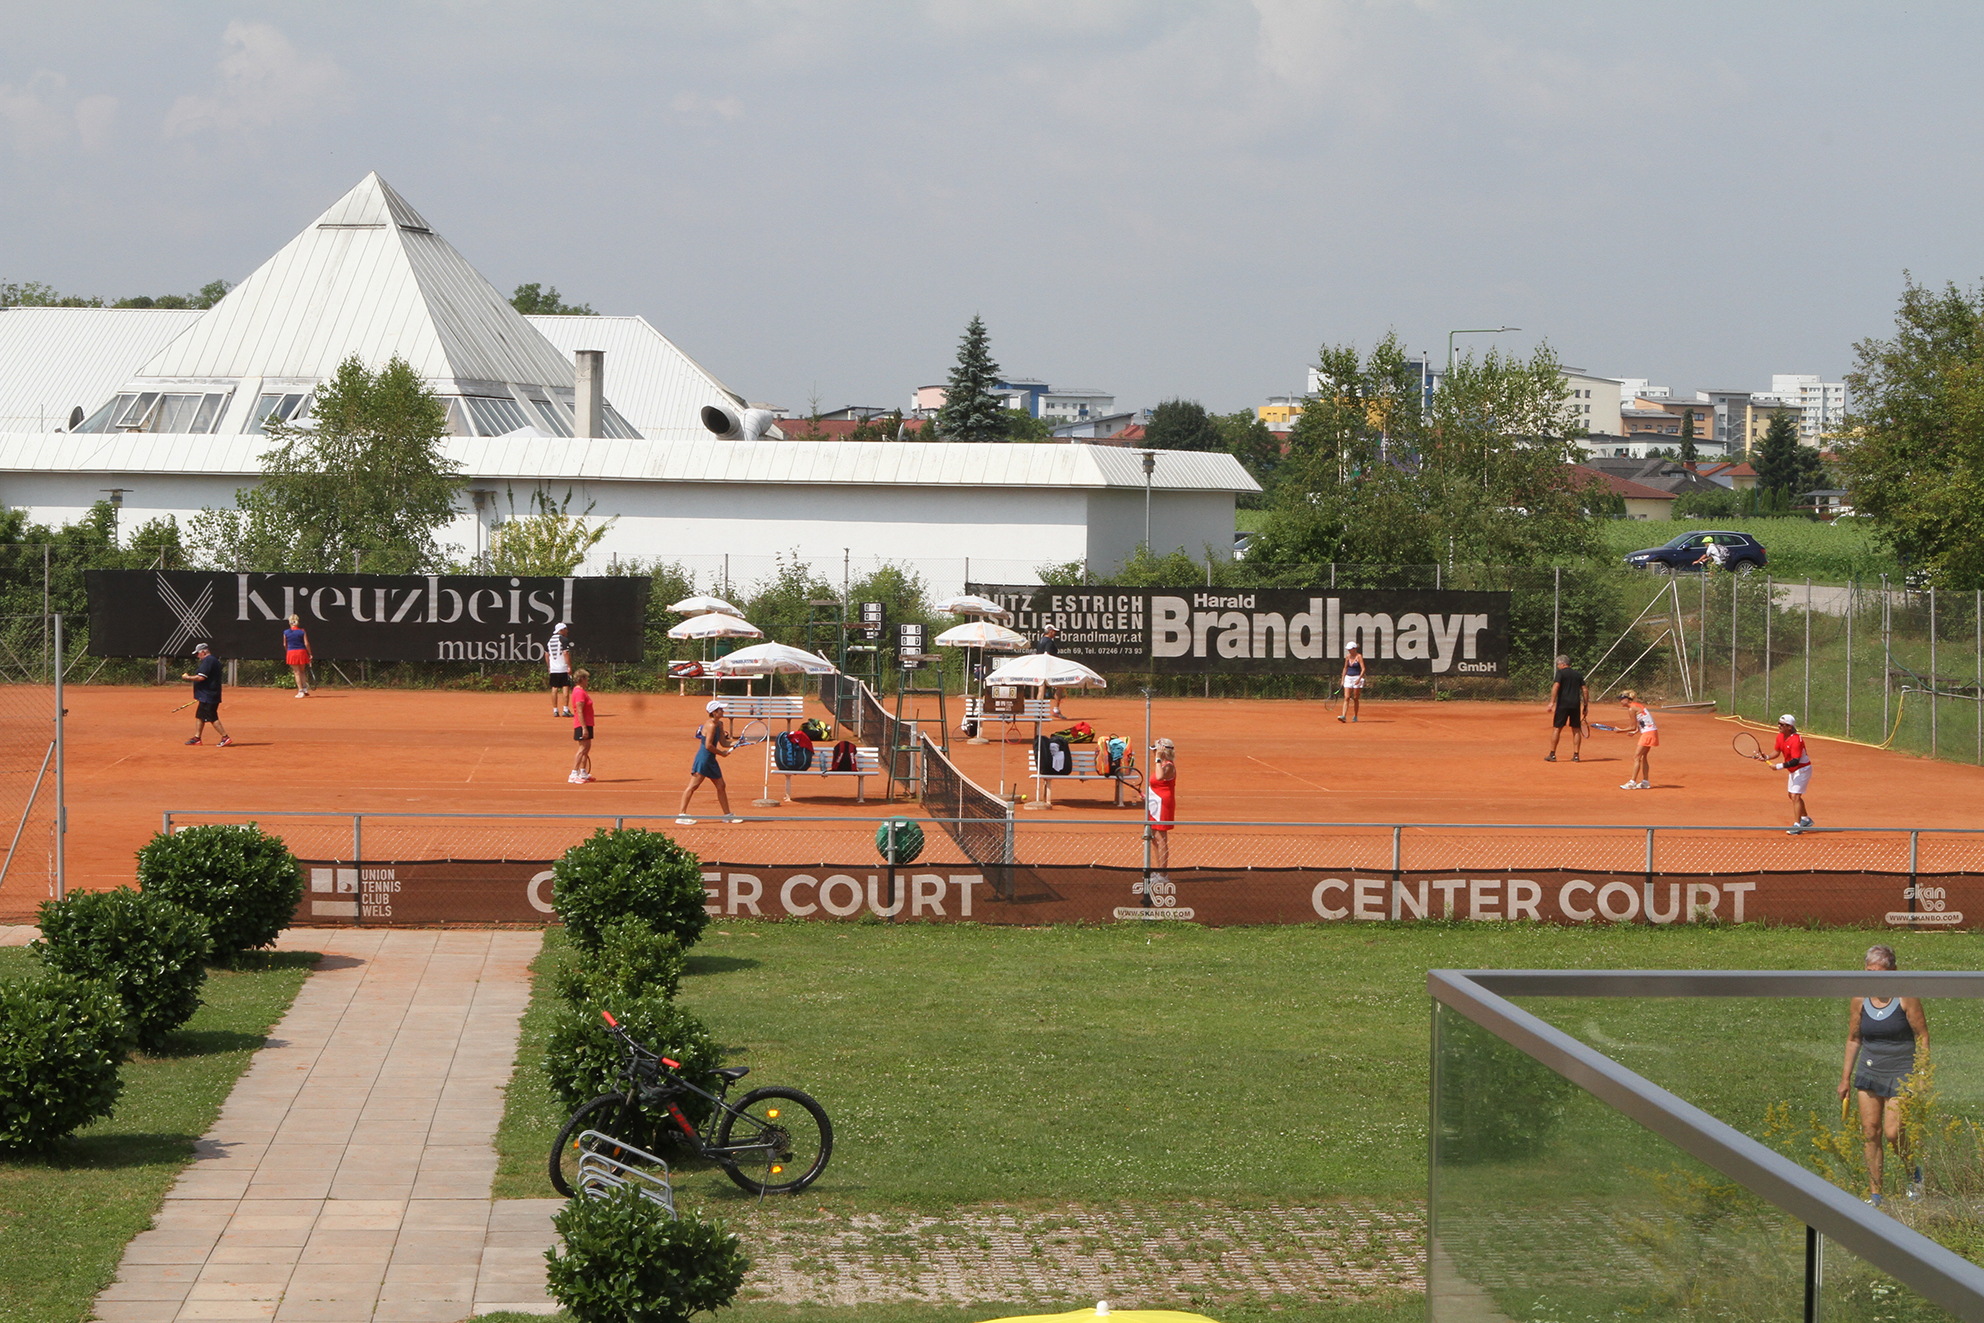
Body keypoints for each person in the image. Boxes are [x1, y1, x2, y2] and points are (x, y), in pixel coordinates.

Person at [1839, 944, 1929, 1205]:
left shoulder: (1905, 997)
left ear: (1894, 971)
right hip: (1869, 1072)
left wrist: (1922, 1074)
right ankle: (1876, 1195)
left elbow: (1922, 1036)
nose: (1874, 979)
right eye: (1870, 973)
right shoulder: (1859, 999)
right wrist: (1845, 1078)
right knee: (1870, 1132)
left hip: (1901, 1073)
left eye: (1880, 973)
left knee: (1892, 1132)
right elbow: (1854, 1038)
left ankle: (1913, 1172)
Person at [677, 699, 739, 824]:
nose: (723, 711)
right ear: (714, 712)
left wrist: (737, 742)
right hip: (704, 759)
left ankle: (727, 815)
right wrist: (721, 753)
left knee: (721, 786)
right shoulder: (710, 726)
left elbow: (724, 742)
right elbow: (708, 746)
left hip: (711, 760)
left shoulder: (719, 724)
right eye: (720, 709)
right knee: (693, 786)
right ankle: (681, 815)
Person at [181, 642, 231, 747]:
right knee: (200, 716)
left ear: (203, 652)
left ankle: (225, 737)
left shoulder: (208, 660)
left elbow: (201, 677)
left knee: (212, 717)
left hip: (209, 695)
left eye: (198, 653)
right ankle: (197, 738)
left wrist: (187, 677)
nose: (197, 656)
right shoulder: (211, 660)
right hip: (205, 695)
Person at [1773, 713, 1814, 834]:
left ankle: (1797, 826)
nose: (1779, 726)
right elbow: (1776, 752)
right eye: (1779, 724)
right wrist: (1766, 757)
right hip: (1793, 770)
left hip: (1802, 769)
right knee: (1792, 795)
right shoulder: (1780, 736)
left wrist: (1778, 766)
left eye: (1782, 725)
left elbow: (1796, 760)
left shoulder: (1796, 740)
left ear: (1789, 727)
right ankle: (1805, 819)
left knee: (1795, 796)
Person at [1545, 655, 1589, 762]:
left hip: (1563, 704)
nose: (1558, 666)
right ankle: (1576, 755)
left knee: (1557, 728)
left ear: (1563, 664)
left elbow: (1556, 686)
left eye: (1558, 664)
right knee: (1576, 729)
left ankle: (1552, 754)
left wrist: (1551, 702)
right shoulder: (1577, 674)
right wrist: (1585, 706)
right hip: (1575, 705)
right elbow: (1585, 690)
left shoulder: (1560, 673)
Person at [1145, 737, 1176, 884]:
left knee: (1161, 838)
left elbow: (1159, 777)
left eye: (1155, 751)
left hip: (1163, 804)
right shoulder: (1162, 765)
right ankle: (1159, 871)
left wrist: (1158, 759)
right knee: (1154, 838)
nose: (1153, 753)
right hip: (1154, 803)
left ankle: (1163, 875)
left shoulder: (1168, 766)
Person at [1618, 689, 1655, 789]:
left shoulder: (1631, 709)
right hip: (1652, 732)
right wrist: (1636, 732)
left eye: (1621, 699)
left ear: (1627, 699)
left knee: (1637, 757)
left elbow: (1632, 726)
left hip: (1647, 734)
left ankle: (1632, 782)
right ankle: (1645, 782)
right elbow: (1644, 720)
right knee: (1643, 757)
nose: (1620, 701)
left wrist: (1620, 730)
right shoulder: (1637, 705)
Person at [569, 669, 595, 785]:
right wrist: (584, 728)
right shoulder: (579, 692)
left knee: (586, 748)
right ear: (582, 679)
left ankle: (583, 772)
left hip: (588, 723)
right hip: (581, 724)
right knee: (582, 748)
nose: (587, 681)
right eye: (586, 678)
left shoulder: (581, 691)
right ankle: (573, 774)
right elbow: (579, 711)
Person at [1034, 623, 1063, 719]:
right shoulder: (1049, 642)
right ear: (1050, 632)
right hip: (1049, 668)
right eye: (1054, 632)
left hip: (1040, 667)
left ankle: (1038, 712)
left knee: (1041, 689)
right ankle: (1056, 710)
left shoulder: (1040, 641)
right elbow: (1047, 654)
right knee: (1060, 685)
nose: (1055, 633)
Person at [547, 622, 575, 718]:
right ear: (561, 630)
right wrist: (569, 666)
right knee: (565, 686)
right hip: (563, 668)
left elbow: (546, 654)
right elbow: (566, 653)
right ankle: (565, 710)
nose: (567, 631)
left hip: (553, 668)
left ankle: (555, 710)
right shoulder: (564, 639)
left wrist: (549, 666)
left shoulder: (550, 640)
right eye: (566, 629)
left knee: (554, 688)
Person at [282, 614, 312, 698]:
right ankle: (305, 689)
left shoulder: (286, 632)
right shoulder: (302, 631)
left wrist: (288, 651)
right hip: (302, 652)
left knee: (296, 672)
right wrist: (310, 654)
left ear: (289, 622)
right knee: (302, 671)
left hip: (291, 652)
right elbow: (306, 643)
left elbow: (285, 644)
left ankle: (301, 691)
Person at [1337, 643, 1366, 723]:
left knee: (1355, 698)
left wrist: (1359, 679)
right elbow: (1345, 668)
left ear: (1354, 649)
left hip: (1357, 678)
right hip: (1348, 678)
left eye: (1350, 649)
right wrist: (1342, 679)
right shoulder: (1347, 656)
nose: (1349, 650)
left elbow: (1363, 669)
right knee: (1346, 697)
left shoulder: (1359, 656)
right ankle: (1343, 716)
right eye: (1348, 649)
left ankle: (1355, 716)